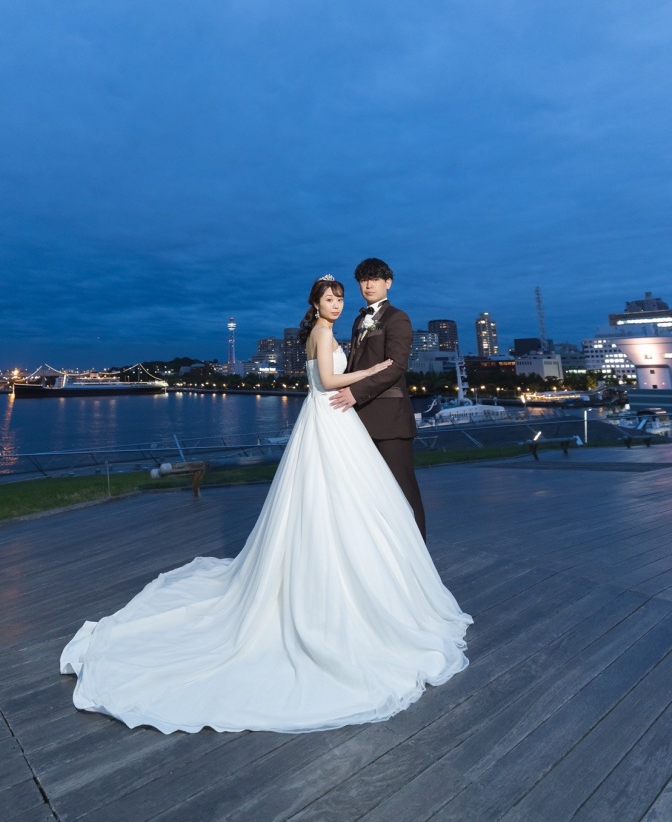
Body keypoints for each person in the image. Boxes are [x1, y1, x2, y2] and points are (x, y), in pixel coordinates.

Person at [60, 275, 471, 734]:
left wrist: (365, 374)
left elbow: (332, 377)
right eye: (329, 298)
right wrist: (371, 372)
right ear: (315, 303)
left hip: (335, 422)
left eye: (339, 298)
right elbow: (330, 380)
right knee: (331, 499)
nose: (336, 304)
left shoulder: (338, 329)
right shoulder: (321, 333)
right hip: (331, 419)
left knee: (350, 500)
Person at [330, 257, 427, 540]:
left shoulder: (398, 318)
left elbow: (396, 366)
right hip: (359, 420)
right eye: (363, 279)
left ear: (388, 282)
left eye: (374, 278)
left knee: (403, 491)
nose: (368, 284)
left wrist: (354, 392)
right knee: (371, 493)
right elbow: (355, 366)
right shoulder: (360, 320)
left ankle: (419, 560)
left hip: (390, 421)